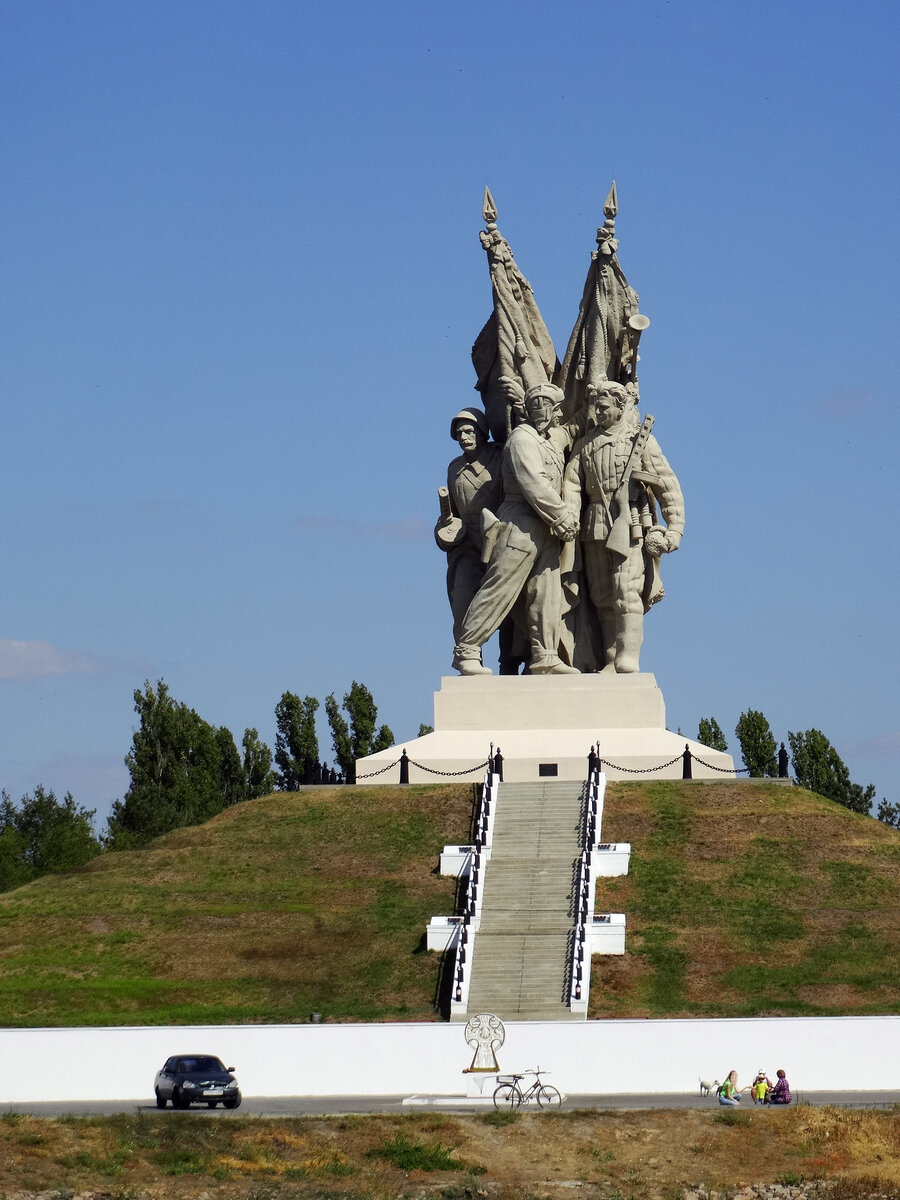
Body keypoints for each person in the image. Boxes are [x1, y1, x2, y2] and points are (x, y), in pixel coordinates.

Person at [453, 383, 580, 676]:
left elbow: (577, 424)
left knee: (545, 591)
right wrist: (562, 516)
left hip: (546, 527)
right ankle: (468, 649)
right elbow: (533, 482)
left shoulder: (549, 439)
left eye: (546, 404)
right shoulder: (522, 439)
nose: (541, 410)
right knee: (500, 586)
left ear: (555, 409)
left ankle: (545, 654)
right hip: (520, 522)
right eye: (534, 404)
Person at [563, 380, 684, 673]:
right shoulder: (585, 444)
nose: (600, 411)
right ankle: (611, 657)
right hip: (593, 528)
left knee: (626, 591)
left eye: (606, 406)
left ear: (621, 406)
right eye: (597, 406)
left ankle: (627, 660)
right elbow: (571, 485)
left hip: (629, 525)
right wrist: (566, 516)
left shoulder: (639, 441)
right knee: (602, 596)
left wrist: (674, 528)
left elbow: (667, 485)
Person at [435, 408, 504, 656]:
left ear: (481, 432)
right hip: (467, 544)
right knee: (462, 599)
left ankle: (510, 660)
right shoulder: (454, 468)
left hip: (499, 537)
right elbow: (451, 514)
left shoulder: (499, 456)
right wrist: (444, 522)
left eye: (468, 431)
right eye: (459, 432)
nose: (463, 437)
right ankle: (469, 656)